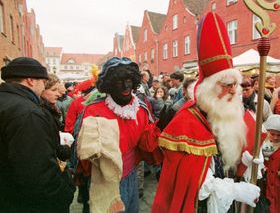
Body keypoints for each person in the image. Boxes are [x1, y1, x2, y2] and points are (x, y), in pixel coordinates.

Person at [152, 12, 260, 213]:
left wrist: (243, 163)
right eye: (227, 84)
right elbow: (191, 182)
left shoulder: (227, 113)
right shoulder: (185, 122)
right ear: (210, 89)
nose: (234, 90)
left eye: (236, 84)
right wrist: (235, 190)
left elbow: (225, 159)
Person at [76, 56, 162, 212]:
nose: (125, 86)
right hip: (104, 181)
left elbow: (146, 144)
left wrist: (162, 124)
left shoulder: (140, 109)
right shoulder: (93, 111)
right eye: (118, 81)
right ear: (109, 85)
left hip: (131, 175)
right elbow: (82, 154)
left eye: (129, 80)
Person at [0, 57, 75, 212]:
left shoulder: (8, 102)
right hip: (25, 203)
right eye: (42, 82)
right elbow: (38, 174)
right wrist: (66, 190)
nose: (43, 88)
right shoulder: (28, 113)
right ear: (31, 80)